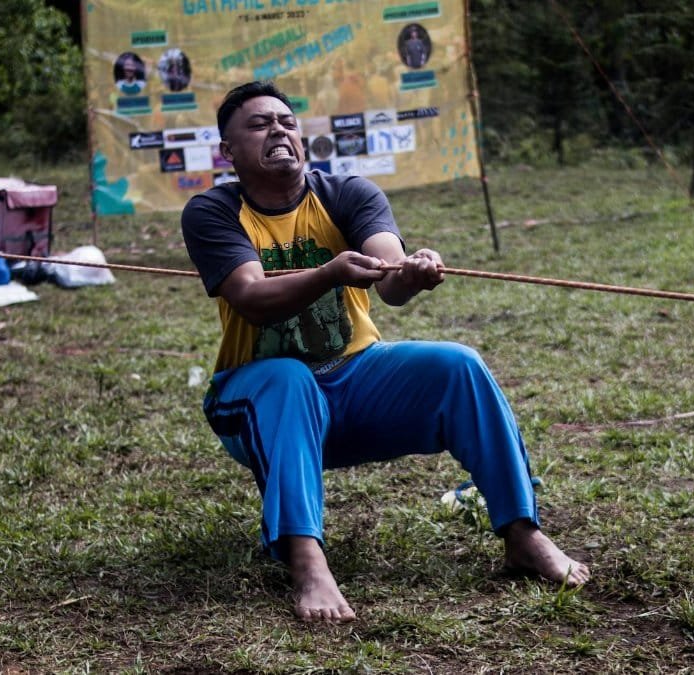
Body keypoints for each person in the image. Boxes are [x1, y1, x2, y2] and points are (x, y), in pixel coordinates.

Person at [180, 81, 589, 623]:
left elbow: (390, 281)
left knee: (459, 365)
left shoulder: (348, 194)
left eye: (286, 121)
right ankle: (307, 563)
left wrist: (412, 271)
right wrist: (328, 273)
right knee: (289, 378)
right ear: (227, 151)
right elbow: (252, 299)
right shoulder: (212, 211)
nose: (277, 129)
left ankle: (523, 533)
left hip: (353, 382)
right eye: (258, 124)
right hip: (255, 398)